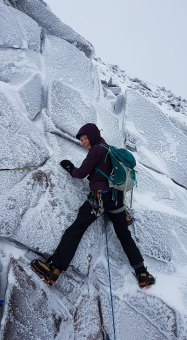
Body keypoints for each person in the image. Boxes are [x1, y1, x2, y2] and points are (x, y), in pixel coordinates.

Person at [31, 123, 155, 288]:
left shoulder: (97, 150)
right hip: (116, 199)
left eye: (85, 138)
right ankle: (142, 273)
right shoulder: (109, 149)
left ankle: (54, 269)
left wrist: (70, 168)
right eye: (81, 140)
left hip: (99, 198)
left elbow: (81, 173)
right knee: (124, 235)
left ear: (93, 135)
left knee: (77, 228)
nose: (83, 142)